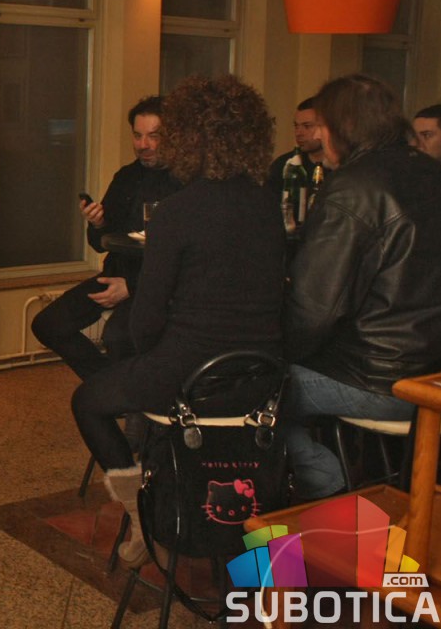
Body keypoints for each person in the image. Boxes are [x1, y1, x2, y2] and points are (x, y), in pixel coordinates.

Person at [71, 75, 284, 566]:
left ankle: (142, 514)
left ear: (184, 138)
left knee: (88, 401)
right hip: (259, 379)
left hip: (190, 375)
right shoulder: (267, 206)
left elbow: (145, 326)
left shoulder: (175, 212)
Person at [283, 75, 441, 501]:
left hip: (381, 380)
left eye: (322, 125)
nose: (318, 136)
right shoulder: (436, 173)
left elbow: (313, 311)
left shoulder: (354, 187)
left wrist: (268, 349)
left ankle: (329, 486)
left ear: (344, 127)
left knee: (239, 384)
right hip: (437, 376)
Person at [31, 96, 180, 380]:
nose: (143, 145)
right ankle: (107, 384)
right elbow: (99, 243)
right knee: (49, 324)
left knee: (118, 337)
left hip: (155, 284)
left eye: (153, 136)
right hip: (115, 272)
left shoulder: (185, 182)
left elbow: (186, 257)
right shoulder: (126, 177)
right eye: (137, 135)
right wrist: (98, 224)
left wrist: (131, 287)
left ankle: (122, 393)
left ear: (173, 136)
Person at [266, 96, 325, 204]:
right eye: (296, 126)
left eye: (307, 126)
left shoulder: (340, 167)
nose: (298, 133)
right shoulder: (284, 165)